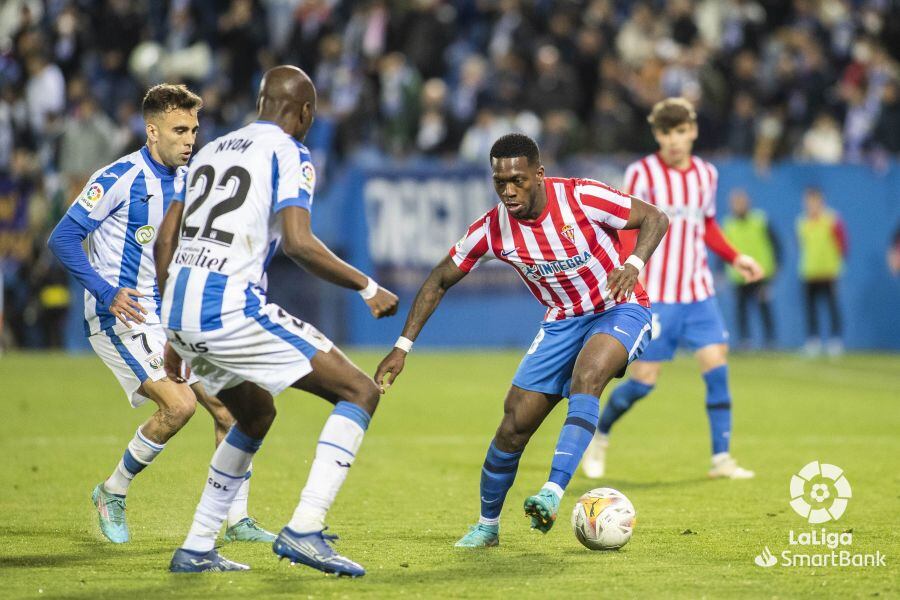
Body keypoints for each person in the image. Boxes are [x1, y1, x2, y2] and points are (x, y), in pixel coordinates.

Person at [157, 65, 398, 576]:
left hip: (180, 305)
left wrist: (172, 330)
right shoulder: (290, 151)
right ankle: (306, 528)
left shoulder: (209, 150)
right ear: (304, 112)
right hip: (228, 306)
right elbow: (298, 242)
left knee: (256, 414)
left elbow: (165, 242)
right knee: (359, 391)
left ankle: (198, 545)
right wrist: (367, 286)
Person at [375, 133, 668, 548]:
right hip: (561, 322)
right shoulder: (493, 229)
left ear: (539, 174)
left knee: (588, 376)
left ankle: (552, 491)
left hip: (619, 307)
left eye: (518, 180)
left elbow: (655, 217)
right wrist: (402, 347)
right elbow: (439, 279)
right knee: (513, 426)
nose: (509, 191)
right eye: (500, 182)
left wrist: (634, 263)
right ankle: (487, 526)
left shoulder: (583, 197)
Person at [47, 84, 274, 544]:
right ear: (152, 131)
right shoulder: (118, 178)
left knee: (233, 411)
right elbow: (62, 239)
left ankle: (238, 520)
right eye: (179, 130)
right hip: (121, 316)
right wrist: (107, 292)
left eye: (193, 129)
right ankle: (112, 491)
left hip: (173, 316)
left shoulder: (195, 179)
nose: (189, 139)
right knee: (180, 404)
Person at [582, 97, 764, 481]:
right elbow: (628, 228)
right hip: (658, 295)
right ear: (657, 135)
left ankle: (721, 458)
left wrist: (736, 258)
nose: (675, 140)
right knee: (644, 382)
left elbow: (708, 225)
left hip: (698, 293)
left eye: (681, 131)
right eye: (667, 132)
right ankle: (601, 433)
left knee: (717, 367)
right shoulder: (642, 173)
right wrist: (632, 273)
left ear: (693, 131)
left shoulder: (706, 175)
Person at [722, 189, 780, 349]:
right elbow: (723, 248)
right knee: (741, 310)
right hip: (739, 276)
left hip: (760, 274)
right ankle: (745, 341)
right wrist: (720, 270)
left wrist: (776, 265)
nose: (738, 206)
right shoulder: (729, 224)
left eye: (741, 202)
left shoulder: (760, 220)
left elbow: (775, 244)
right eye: (735, 203)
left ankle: (770, 340)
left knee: (764, 308)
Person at [797, 187, 847, 356]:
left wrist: (837, 266)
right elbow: (803, 245)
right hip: (809, 271)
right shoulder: (802, 222)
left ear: (821, 201)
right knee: (811, 308)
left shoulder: (832, 219)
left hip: (829, 271)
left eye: (814, 201)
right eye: (808, 201)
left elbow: (842, 244)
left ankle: (835, 340)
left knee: (832, 307)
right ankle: (813, 341)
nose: (811, 205)